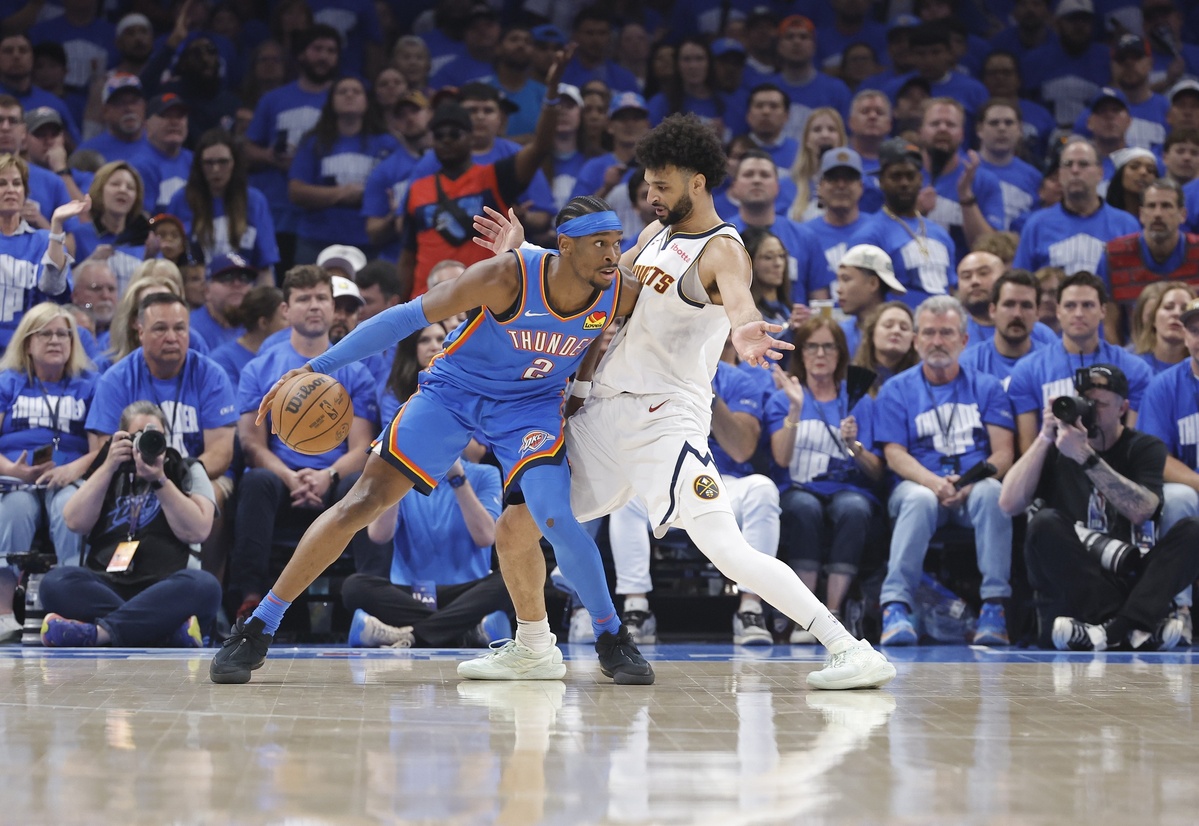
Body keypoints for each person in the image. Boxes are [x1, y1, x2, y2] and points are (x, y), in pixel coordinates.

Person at [460, 114, 895, 690]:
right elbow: (600, 285)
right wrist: (529, 255)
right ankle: (535, 648)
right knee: (517, 524)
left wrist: (744, 328)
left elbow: (739, 301)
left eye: (662, 185)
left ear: (697, 182)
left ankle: (849, 649)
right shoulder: (653, 236)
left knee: (725, 549)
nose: (651, 196)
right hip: (606, 412)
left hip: (664, 420)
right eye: (647, 184)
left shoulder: (723, 250)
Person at [208, 194, 649, 686]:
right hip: (455, 391)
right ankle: (258, 626)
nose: (613, 254)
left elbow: (600, 333)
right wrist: (317, 365)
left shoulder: (621, 291)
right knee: (363, 502)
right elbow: (403, 318)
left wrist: (582, 388)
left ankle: (613, 637)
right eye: (600, 244)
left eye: (617, 243)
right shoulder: (505, 276)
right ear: (565, 246)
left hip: (529, 407)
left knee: (554, 517)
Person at [998, 364, 1199, 651]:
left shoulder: (1144, 447)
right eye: (1084, 402)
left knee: (1194, 531)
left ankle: (1109, 631)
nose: (1089, 411)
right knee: (1043, 523)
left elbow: (1142, 511)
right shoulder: (1058, 445)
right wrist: (1044, 437)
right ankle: (1133, 627)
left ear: (1122, 408)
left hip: (1131, 571)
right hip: (1079, 577)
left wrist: (1085, 456)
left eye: (1100, 404)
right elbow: (1008, 503)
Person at [225, 266, 379, 621]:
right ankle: (249, 597)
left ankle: (370, 598)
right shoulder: (259, 369)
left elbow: (361, 448)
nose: (314, 306)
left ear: (333, 307)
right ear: (285, 309)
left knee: (362, 484)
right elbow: (252, 445)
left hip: (334, 479)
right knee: (256, 481)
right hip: (281, 480)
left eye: (322, 298)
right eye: (304, 299)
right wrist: (290, 477)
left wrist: (328, 475)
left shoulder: (356, 371)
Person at [345, 322, 511, 649]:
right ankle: (464, 630)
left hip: (466, 588)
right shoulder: (403, 477)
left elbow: (486, 537)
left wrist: (457, 477)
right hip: (410, 591)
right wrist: (396, 474)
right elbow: (379, 536)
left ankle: (408, 634)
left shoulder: (484, 474)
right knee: (355, 587)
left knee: (510, 580)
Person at [874, 295, 1015, 647]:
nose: (937, 341)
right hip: (919, 488)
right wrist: (935, 483)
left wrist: (968, 484)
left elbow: (1004, 453)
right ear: (916, 340)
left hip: (973, 489)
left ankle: (994, 608)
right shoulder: (896, 389)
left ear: (964, 340)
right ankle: (895, 607)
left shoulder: (987, 387)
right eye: (929, 333)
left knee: (994, 493)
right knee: (919, 499)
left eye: (946, 333)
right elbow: (894, 454)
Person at [39, 400, 222, 647]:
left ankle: (99, 633)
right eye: (137, 436)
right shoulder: (107, 470)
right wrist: (108, 466)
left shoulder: (185, 468)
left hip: (163, 586)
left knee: (205, 586)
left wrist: (160, 480)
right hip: (108, 582)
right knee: (54, 582)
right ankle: (161, 632)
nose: (144, 444)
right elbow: (74, 521)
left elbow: (198, 530)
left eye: (153, 436)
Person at [767, 316, 884, 641]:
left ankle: (832, 613)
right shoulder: (783, 398)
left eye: (829, 347)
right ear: (801, 353)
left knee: (855, 508)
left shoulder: (859, 399)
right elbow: (781, 459)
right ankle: (807, 616)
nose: (820, 354)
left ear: (840, 353)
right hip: (797, 488)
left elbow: (876, 471)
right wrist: (795, 409)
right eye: (812, 346)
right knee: (804, 508)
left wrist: (854, 445)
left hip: (847, 488)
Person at [0, 303, 99, 640]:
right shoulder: (8, 382)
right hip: (15, 482)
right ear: (28, 342)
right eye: (45, 333)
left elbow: (102, 447)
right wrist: (13, 470)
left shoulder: (89, 384)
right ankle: (3, 611)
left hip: (68, 478)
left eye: (63, 334)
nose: (55, 340)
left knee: (69, 508)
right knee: (15, 511)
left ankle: (71, 608)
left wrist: (73, 468)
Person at [1007, 271, 1154, 453]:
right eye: (1070, 305)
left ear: (1103, 310)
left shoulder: (1135, 368)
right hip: (1051, 464)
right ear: (1058, 311)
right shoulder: (1028, 370)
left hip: (1114, 463)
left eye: (1087, 305)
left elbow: (1134, 443)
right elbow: (1028, 447)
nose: (1078, 313)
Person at [288, 76, 399, 263]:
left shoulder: (388, 143)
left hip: (369, 242)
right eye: (342, 91)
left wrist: (367, 194)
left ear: (367, 100)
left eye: (356, 91)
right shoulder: (313, 142)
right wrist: (342, 193)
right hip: (316, 240)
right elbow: (296, 191)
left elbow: (397, 190)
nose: (349, 95)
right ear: (331, 101)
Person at [848, 138, 956, 308]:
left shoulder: (940, 234)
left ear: (920, 180)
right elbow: (864, 298)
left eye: (910, 176)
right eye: (896, 176)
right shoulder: (869, 236)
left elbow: (951, 288)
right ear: (881, 181)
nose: (904, 183)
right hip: (897, 321)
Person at [1012, 139, 1140, 277]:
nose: (1075, 170)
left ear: (1100, 173)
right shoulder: (1036, 225)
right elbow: (1021, 281)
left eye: (1083, 164)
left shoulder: (1126, 225)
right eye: (1068, 164)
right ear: (1060, 174)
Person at [0, 153, 87, 350]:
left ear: (25, 192)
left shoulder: (43, 241)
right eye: (2, 183)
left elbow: (54, 288)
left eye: (17, 183)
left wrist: (56, 225)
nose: (11, 189)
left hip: (27, 352)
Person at [168, 128, 278, 281]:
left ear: (235, 163)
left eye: (223, 162)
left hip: (243, 288)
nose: (216, 169)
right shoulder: (181, 200)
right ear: (199, 166)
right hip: (195, 290)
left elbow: (265, 268)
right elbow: (169, 261)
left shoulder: (255, 201)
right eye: (208, 163)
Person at [1100, 179, 1199, 337]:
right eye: (1151, 206)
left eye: (1166, 206)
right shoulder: (1113, 255)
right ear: (1141, 214)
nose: (1158, 214)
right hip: (1132, 348)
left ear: (1183, 215)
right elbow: (1108, 324)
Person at [68, 160, 149, 295]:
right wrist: (90, 262)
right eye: (115, 184)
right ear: (100, 191)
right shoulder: (77, 237)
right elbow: (61, 286)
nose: (123, 190)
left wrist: (150, 257)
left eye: (130, 187)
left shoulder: (145, 240)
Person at [958, 269, 1046, 388]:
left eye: (1026, 306)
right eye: (1009, 304)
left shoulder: (1052, 363)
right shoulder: (967, 364)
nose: (1017, 314)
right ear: (992, 310)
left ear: (1037, 313)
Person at [208, 285, 286, 389]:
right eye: (284, 318)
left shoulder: (285, 354)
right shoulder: (221, 360)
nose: (291, 324)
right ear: (263, 323)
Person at [835, 243, 904, 358]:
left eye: (846, 279)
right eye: (839, 280)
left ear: (873, 283)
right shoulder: (839, 333)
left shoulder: (898, 335)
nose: (838, 289)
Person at [189, 252, 256, 351]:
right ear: (207, 290)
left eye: (245, 278)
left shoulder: (260, 325)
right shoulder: (190, 328)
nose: (237, 284)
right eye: (227, 277)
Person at [852, 301, 919, 396]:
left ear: (913, 339)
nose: (896, 331)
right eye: (888, 325)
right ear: (872, 333)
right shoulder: (851, 379)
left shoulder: (922, 382)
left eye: (904, 328)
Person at [1130, 284, 1194, 375]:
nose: (1176, 313)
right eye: (1168, 307)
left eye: (1184, 309)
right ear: (1153, 319)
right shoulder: (1130, 364)